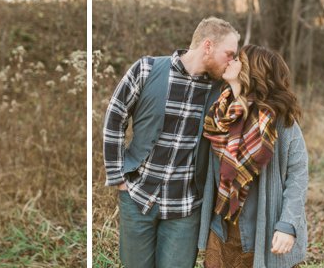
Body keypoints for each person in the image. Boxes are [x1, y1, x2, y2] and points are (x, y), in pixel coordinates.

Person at [102, 17, 240, 267]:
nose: (232, 62)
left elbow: (239, 131)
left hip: (185, 208)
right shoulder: (146, 69)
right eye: (229, 54)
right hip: (137, 196)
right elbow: (114, 119)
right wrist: (118, 178)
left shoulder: (221, 90)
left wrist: (235, 85)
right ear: (208, 46)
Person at [198, 44, 308, 268]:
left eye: (237, 60)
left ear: (252, 71)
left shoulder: (279, 121)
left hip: (263, 231)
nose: (230, 61)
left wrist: (287, 224)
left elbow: (298, 175)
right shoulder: (218, 113)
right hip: (221, 228)